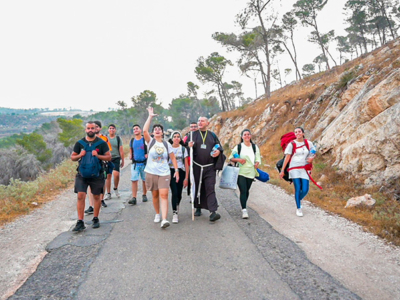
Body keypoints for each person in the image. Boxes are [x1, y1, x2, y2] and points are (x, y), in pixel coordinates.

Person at [71, 121, 111, 231]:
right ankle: (80, 221)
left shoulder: (101, 143)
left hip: (97, 174)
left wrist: (98, 155)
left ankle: (95, 218)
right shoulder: (79, 143)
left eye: (92, 128)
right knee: (80, 195)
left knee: (97, 196)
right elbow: (73, 157)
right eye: (88, 128)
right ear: (85, 130)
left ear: (96, 129)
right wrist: (80, 155)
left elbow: (108, 157)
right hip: (82, 174)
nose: (90, 130)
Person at [143, 107, 179, 229]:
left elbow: (173, 158)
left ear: (163, 132)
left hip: (164, 173)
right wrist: (150, 116)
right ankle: (157, 213)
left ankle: (164, 219)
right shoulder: (150, 142)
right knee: (155, 195)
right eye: (155, 129)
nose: (157, 130)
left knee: (164, 195)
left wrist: (177, 170)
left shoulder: (166, 144)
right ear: (153, 133)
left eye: (160, 129)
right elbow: (144, 131)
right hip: (151, 172)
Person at [188, 117, 224, 222]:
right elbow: (185, 148)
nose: (199, 122)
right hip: (197, 166)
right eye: (198, 120)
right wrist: (189, 146)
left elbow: (219, 147)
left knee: (210, 187)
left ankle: (213, 212)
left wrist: (218, 152)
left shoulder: (212, 135)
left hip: (209, 167)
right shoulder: (192, 135)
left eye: (202, 121)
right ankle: (198, 208)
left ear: (207, 123)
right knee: (198, 187)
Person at [279, 127, 315, 217]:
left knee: (305, 189)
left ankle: (297, 199)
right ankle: (299, 208)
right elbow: (287, 158)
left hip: (305, 168)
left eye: (299, 132)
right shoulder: (291, 144)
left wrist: (312, 158)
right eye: (295, 132)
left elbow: (313, 151)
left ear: (303, 133)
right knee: (298, 187)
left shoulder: (308, 143)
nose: (297, 133)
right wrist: (282, 170)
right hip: (294, 168)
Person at [229, 129, 261, 219]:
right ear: (242, 136)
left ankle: (243, 204)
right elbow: (231, 158)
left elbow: (258, 158)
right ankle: (244, 210)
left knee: (246, 191)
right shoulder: (239, 147)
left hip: (251, 172)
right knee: (243, 190)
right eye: (245, 134)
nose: (247, 136)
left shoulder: (254, 147)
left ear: (250, 136)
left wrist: (257, 163)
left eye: (248, 134)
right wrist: (239, 160)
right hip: (241, 171)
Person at [84, 120, 112, 214]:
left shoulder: (104, 139)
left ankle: (101, 198)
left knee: (101, 183)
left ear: (99, 128)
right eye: (92, 127)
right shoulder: (86, 140)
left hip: (101, 164)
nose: (94, 129)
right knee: (89, 186)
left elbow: (108, 152)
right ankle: (91, 205)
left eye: (96, 127)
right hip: (90, 165)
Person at [168, 131, 189, 224]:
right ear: (172, 138)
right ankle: (174, 212)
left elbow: (186, 164)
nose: (176, 138)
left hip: (181, 171)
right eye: (174, 137)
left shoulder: (183, 149)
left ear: (180, 139)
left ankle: (176, 205)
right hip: (171, 171)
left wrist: (186, 178)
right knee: (174, 192)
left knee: (179, 193)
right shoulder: (168, 148)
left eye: (178, 137)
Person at [129, 124, 148, 205]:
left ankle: (144, 194)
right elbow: (131, 149)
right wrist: (130, 155)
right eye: (134, 129)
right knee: (134, 180)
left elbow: (149, 148)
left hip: (144, 163)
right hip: (135, 163)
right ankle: (134, 197)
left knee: (144, 180)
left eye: (137, 128)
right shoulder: (132, 140)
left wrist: (147, 154)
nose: (135, 130)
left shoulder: (144, 140)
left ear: (140, 130)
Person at [108, 124, 124, 198]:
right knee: (108, 176)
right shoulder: (105, 139)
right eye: (110, 128)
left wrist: (123, 160)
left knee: (116, 175)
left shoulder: (118, 138)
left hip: (116, 158)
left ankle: (115, 188)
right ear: (108, 130)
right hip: (107, 159)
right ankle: (108, 193)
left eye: (113, 128)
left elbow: (121, 150)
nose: (111, 130)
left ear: (115, 130)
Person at [183, 122, 198, 202]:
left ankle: (196, 196)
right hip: (189, 161)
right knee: (190, 179)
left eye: (195, 126)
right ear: (189, 128)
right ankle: (191, 194)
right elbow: (184, 146)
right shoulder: (187, 137)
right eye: (192, 127)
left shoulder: (200, 136)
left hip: (198, 162)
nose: (193, 128)